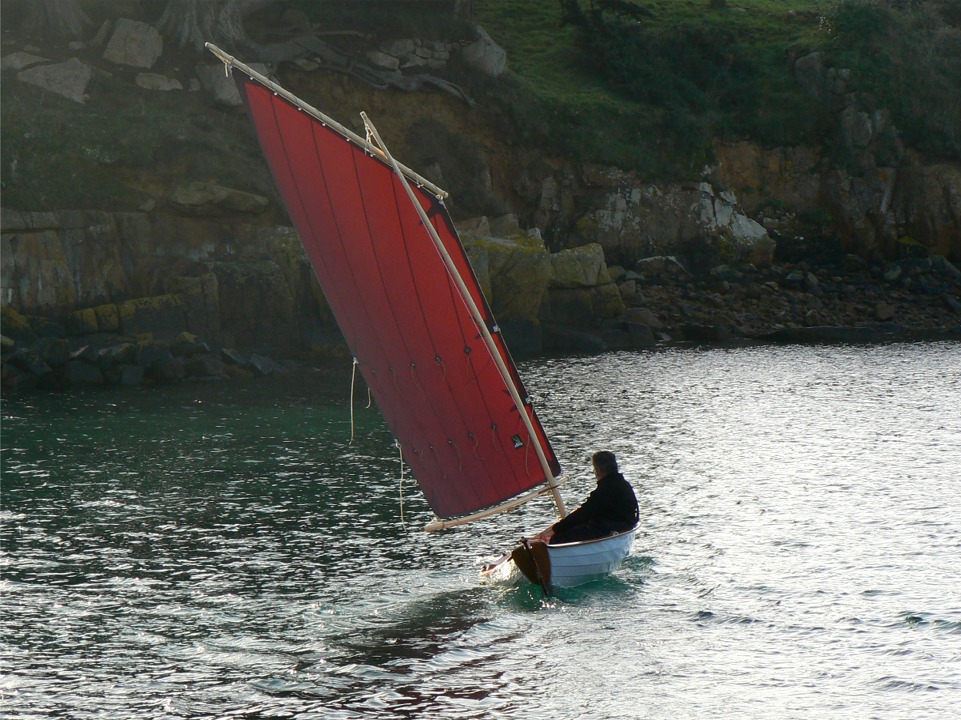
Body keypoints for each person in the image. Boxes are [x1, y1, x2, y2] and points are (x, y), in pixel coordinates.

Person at [538, 451, 638, 545]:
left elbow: (583, 513)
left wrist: (554, 530)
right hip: (623, 525)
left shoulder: (604, 491)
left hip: (611, 528)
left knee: (558, 538)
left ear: (598, 471)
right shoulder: (625, 485)